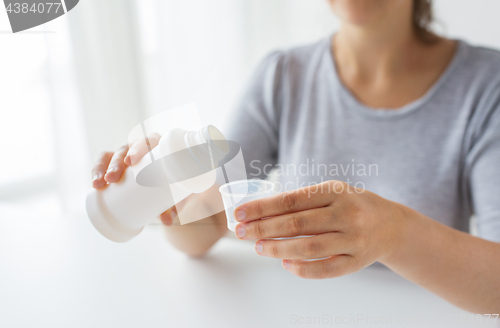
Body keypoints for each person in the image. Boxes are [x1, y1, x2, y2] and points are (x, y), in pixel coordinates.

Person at [91, 0, 500, 313]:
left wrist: (394, 232)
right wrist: (170, 191)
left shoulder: (486, 86)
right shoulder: (283, 76)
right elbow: (209, 221)